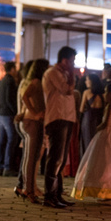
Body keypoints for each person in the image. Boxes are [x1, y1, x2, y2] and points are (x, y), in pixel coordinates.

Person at [71, 82, 111, 203]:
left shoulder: (110, 106)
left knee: (104, 162)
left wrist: (96, 130)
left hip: (108, 134)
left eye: (106, 92)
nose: (105, 94)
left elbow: (106, 122)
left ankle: (106, 191)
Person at [41, 46, 78, 208]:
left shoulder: (65, 74)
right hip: (57, 117)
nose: (72, 64)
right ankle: (49, 195)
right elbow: (66, 90)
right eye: (71, 61)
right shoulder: (53, 73)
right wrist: (71, 77)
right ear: (64, 60)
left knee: (62, 159)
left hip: (67, 117)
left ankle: (57, 194)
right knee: (55, 158)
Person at [14, 58, 46, 203]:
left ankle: (25, 187)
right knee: (31, 157)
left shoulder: (29, 81)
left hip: (28, 120)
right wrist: (35, 112)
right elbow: (25, 97)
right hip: (32, 121)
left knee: (29, 156)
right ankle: (29, 190)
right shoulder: (36, 82)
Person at [0, 62, 20, 176]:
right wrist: (15, 111)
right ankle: (7, 166)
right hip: (8, 114)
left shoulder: (2, 81)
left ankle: (0, 165)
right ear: (12, 69)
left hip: (1, 113)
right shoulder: (10, 81)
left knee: (2, 140)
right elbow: (9, 99)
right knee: (12, 139)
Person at [79, 72, 106, 158]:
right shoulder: (103, 94)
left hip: (88, 119)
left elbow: (81, 109)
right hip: (99, 119)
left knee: (87, 141)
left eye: (87, 80)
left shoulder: (87, 92)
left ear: (91, 81)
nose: (85, 82)